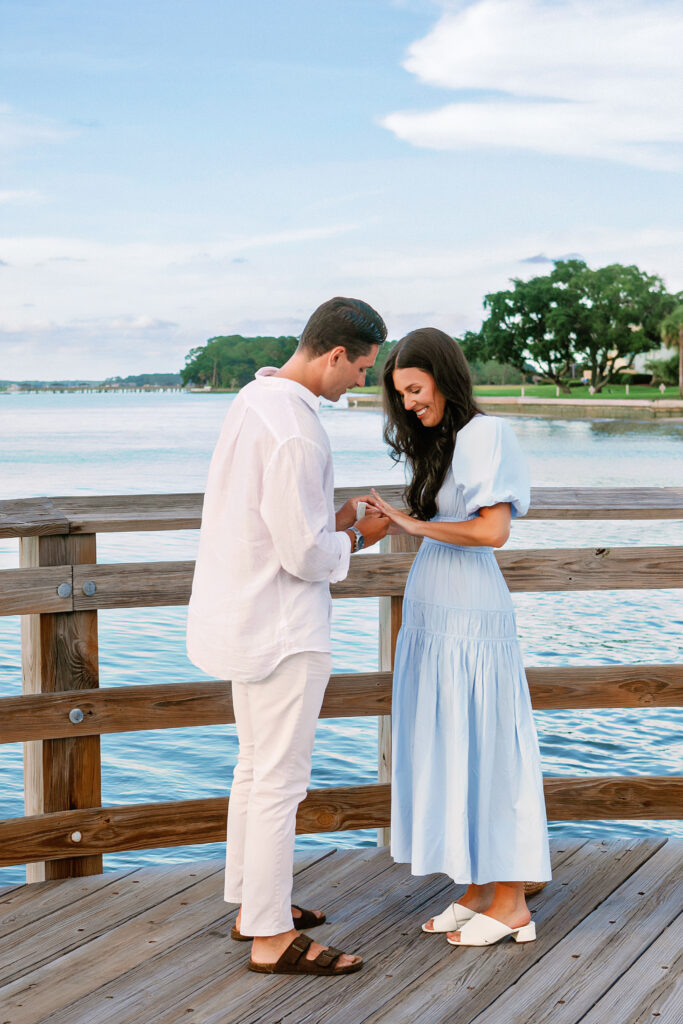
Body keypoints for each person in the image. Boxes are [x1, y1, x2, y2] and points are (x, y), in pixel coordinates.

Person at [186, 297, 390, 976]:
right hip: (281, 626)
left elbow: (275, 518)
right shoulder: (299, 432)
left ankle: (253, 903)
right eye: (361, 367)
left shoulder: (255, 399)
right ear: (335, 355)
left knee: (253, 766)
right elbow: (305, 557)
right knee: (280, 781)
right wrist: (358, 533)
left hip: (239, 613)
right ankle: (271, 938)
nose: (360, 381)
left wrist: (324, 518)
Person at [369, 328, 551, 949]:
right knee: (451, 741)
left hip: (471, 611)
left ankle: (512, 902)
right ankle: (477, 889)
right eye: (402, 396)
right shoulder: (441, 442)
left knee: (488, 743)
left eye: (416, 390)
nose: (411, 404)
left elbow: (492, 531)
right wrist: (384, 519)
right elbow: (445, 521)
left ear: (444, 376)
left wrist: (409, 522)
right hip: (433, 608)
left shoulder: (487, 434)